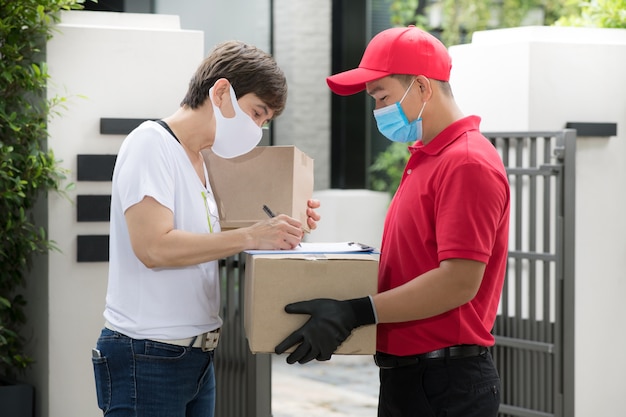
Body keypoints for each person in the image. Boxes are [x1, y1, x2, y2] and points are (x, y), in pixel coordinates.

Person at [275, 26, 510, 417]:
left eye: (381, 96)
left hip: (445, 383)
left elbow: (458, 280)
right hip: (413, 377)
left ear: (421, 86)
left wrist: (355, 312)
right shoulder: (428, 157)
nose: (377, 110)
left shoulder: (466, 162)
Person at [92, 40, 321, 417]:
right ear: (220, 92)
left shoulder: (201, 160)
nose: (258, 128)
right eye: (256, 113)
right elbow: (154, 248)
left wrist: (287, 224)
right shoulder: (151, 145)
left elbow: (212, 238)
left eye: (264, 121)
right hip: (147, 356)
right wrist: (252, 235)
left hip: (194, 357)